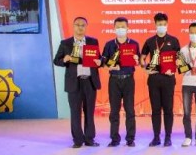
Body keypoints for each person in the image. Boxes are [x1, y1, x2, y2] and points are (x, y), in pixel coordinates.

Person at [53, 16, 101, 148]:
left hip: (90, 82)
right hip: (74, 82)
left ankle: (90, 139)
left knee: (89, 112)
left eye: (83, 25)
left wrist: (100, 61)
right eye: (77, 25)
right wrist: (64, 59)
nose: (80, 27)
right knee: (75, 112)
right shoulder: (65, 43)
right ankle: (78, 140)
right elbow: (56, 60)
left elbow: (99, 57)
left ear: (86, 27)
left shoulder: (93, 41)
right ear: (73, 26)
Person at [140, 13, 181, 147]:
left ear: (167, 24)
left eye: (163, 24)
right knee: (155, 110)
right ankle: (156, 137)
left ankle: (168, 137)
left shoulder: (174, 41)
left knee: (168, 110)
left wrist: (174, 68)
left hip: (168, 79)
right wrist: (145, 69)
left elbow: (179, 60)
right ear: (155, 25)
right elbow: (142, 58)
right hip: (154, 79)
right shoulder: (150, 41)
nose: (161, 26)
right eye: (159, 24)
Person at [100, 17, 139, 147]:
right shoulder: (109, 44)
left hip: (128, 80)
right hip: (114, 80)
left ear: (128, 28)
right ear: (114, 28)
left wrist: (137, 60)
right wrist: (110, 67)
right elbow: (103, 63)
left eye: (123, 27)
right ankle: (114, 139)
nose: (120, 29)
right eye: (118, 27)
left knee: (130, 110)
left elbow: (138, 61)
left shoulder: (134, 44)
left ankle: (130, 139)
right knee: (114, 111)